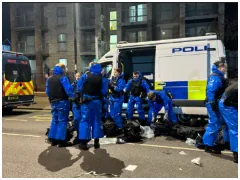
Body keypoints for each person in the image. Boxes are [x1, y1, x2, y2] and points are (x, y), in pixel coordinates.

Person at [76, 63, 108, 150]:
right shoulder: (103, 79)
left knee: (84, 120)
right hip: (97, 102)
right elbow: (104, 92)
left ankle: (83, 143)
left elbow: (79, 88)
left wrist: (80, 97)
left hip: (86, 101)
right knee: (97, 120)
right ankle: (96, 142)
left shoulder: (85, 76)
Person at [45, 63, 75, 147]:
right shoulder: (63, 78)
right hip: (62, 101)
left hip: (53, 102)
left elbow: (47, 91)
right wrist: (73, 96)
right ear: (62, 69)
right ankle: (61, 141)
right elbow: (68, 90)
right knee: (62, 121)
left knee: (55, 120)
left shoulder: (49, 79)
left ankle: (53, 140)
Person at [202, 60, 229, 154]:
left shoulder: (219, 77)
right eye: (223, 67)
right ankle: (208, 145)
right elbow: (211, 91)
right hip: (212, 103)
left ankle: (211, 143)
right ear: (219, 67)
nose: (225, 69)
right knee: (214, 123)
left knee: (217, 123)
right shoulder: (215, 77)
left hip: (215, 103)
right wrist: (212, 103)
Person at [218, 82, 238, 163]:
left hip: (225, 102)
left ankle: (227, 143)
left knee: (228, 126)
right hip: (227, 106)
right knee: (236, 128)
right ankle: (237, 154)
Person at [108, 68, 126, 133]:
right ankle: (114, 126)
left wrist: (113, 86)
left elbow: (119, 89)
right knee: (112, 114)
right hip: (112, 98)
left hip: (118, 99)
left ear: (119, 73)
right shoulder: (112, 79)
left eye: (115, 72)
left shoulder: (122, 80)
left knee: (117, 114)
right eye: (114, 72)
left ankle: (120, 127)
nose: (114, 73)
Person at [71, 72, 81, 144]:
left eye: (79, 76)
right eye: (76, 76)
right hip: (75, 104)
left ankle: (80, 136)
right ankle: (78, 135)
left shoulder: (82, 84)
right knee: (76, 119)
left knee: (80, 120)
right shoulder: (73, 84)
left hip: (81, 104)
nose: (77, 77)